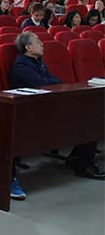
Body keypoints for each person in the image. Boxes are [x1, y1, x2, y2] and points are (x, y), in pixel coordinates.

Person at [10, 32, 104, 180]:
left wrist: (51, 82)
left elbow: (54, 81)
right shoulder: (22, 65)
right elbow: (41, 84)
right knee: (88, 118)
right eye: (38, 42)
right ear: (28, 47)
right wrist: (51, 82)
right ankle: (83, 164)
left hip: (47, 105)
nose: (42, 44)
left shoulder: (37, 62)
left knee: (90, 114)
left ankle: (78, 159)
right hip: (31, 111)